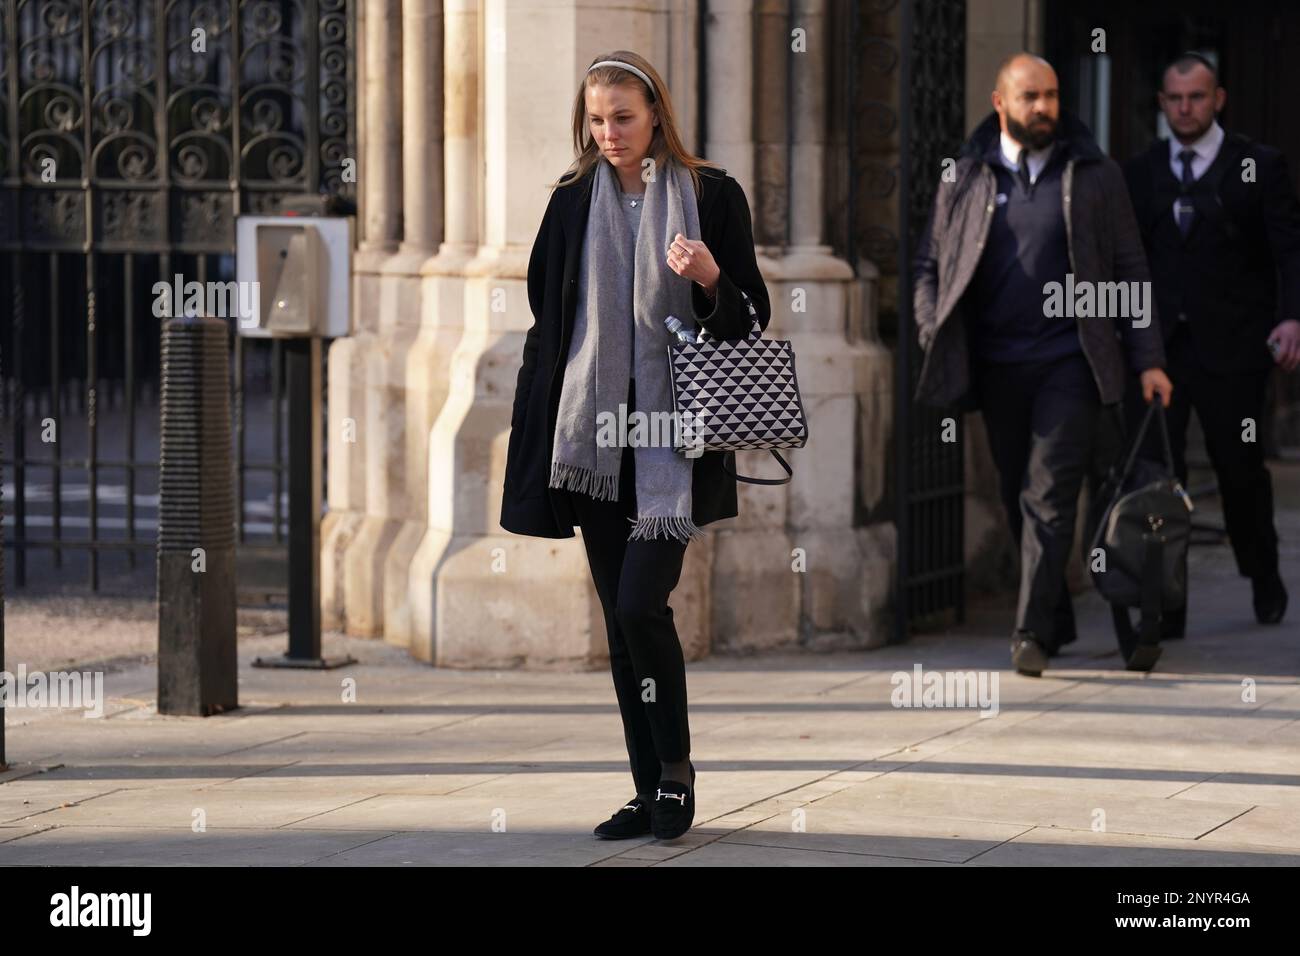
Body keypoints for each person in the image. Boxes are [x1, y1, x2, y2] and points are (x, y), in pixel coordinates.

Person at [499, 51, 771, 840]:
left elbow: (751, 319)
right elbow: (548, 323)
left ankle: (678, 773)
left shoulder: (711, 196)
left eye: (623, 117)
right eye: (596, 119)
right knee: (619, 627)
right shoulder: (572, 200)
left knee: (637, 604)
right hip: (593, 441)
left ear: (656, 114)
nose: (609, 133)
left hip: (671, 444)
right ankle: (648, 786)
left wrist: (713, 278)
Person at [913, 52, 1172, 677]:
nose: (1046, 108)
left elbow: (1131, 270)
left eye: (1052, 95)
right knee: (1013, 493)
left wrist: (1149, 360)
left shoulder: (1094, 173)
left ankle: (1028, 631)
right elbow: (929, 265)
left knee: (1049, 496)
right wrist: (930, 326)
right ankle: (1055, 618)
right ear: (1000, 103)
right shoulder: (966, 176)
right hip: (996, 365)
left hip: (1072, 361)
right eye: (1031, 97)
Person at [1123, 51, 1299, 633]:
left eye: (1196, 97)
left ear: (1217, 99)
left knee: (1240, 469)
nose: (1185, 107)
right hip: (1160, 353)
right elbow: (1128, 259)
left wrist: (1290, 317)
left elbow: (1287, 251)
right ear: (1162, 103)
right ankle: (1166, 601)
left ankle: (1263, 572)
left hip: (1235, 347)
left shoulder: (1258, 164)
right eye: (1175, 98)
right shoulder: (1142, 169)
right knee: (1156, 476)